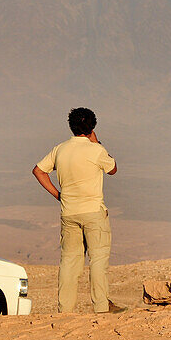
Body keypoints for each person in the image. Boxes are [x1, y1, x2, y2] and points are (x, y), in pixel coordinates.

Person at [33, 107, 123, 314]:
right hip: (93, 212)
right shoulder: (96, 150)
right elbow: (113, 169)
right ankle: (101, 306)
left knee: (69, 262)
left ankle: (65, 309)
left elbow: (38, 171)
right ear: (92, 127)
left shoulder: (60, 149)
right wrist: (97, 142)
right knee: (98, 260)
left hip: (69, 212)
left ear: (71, 126)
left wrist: (59, 195)